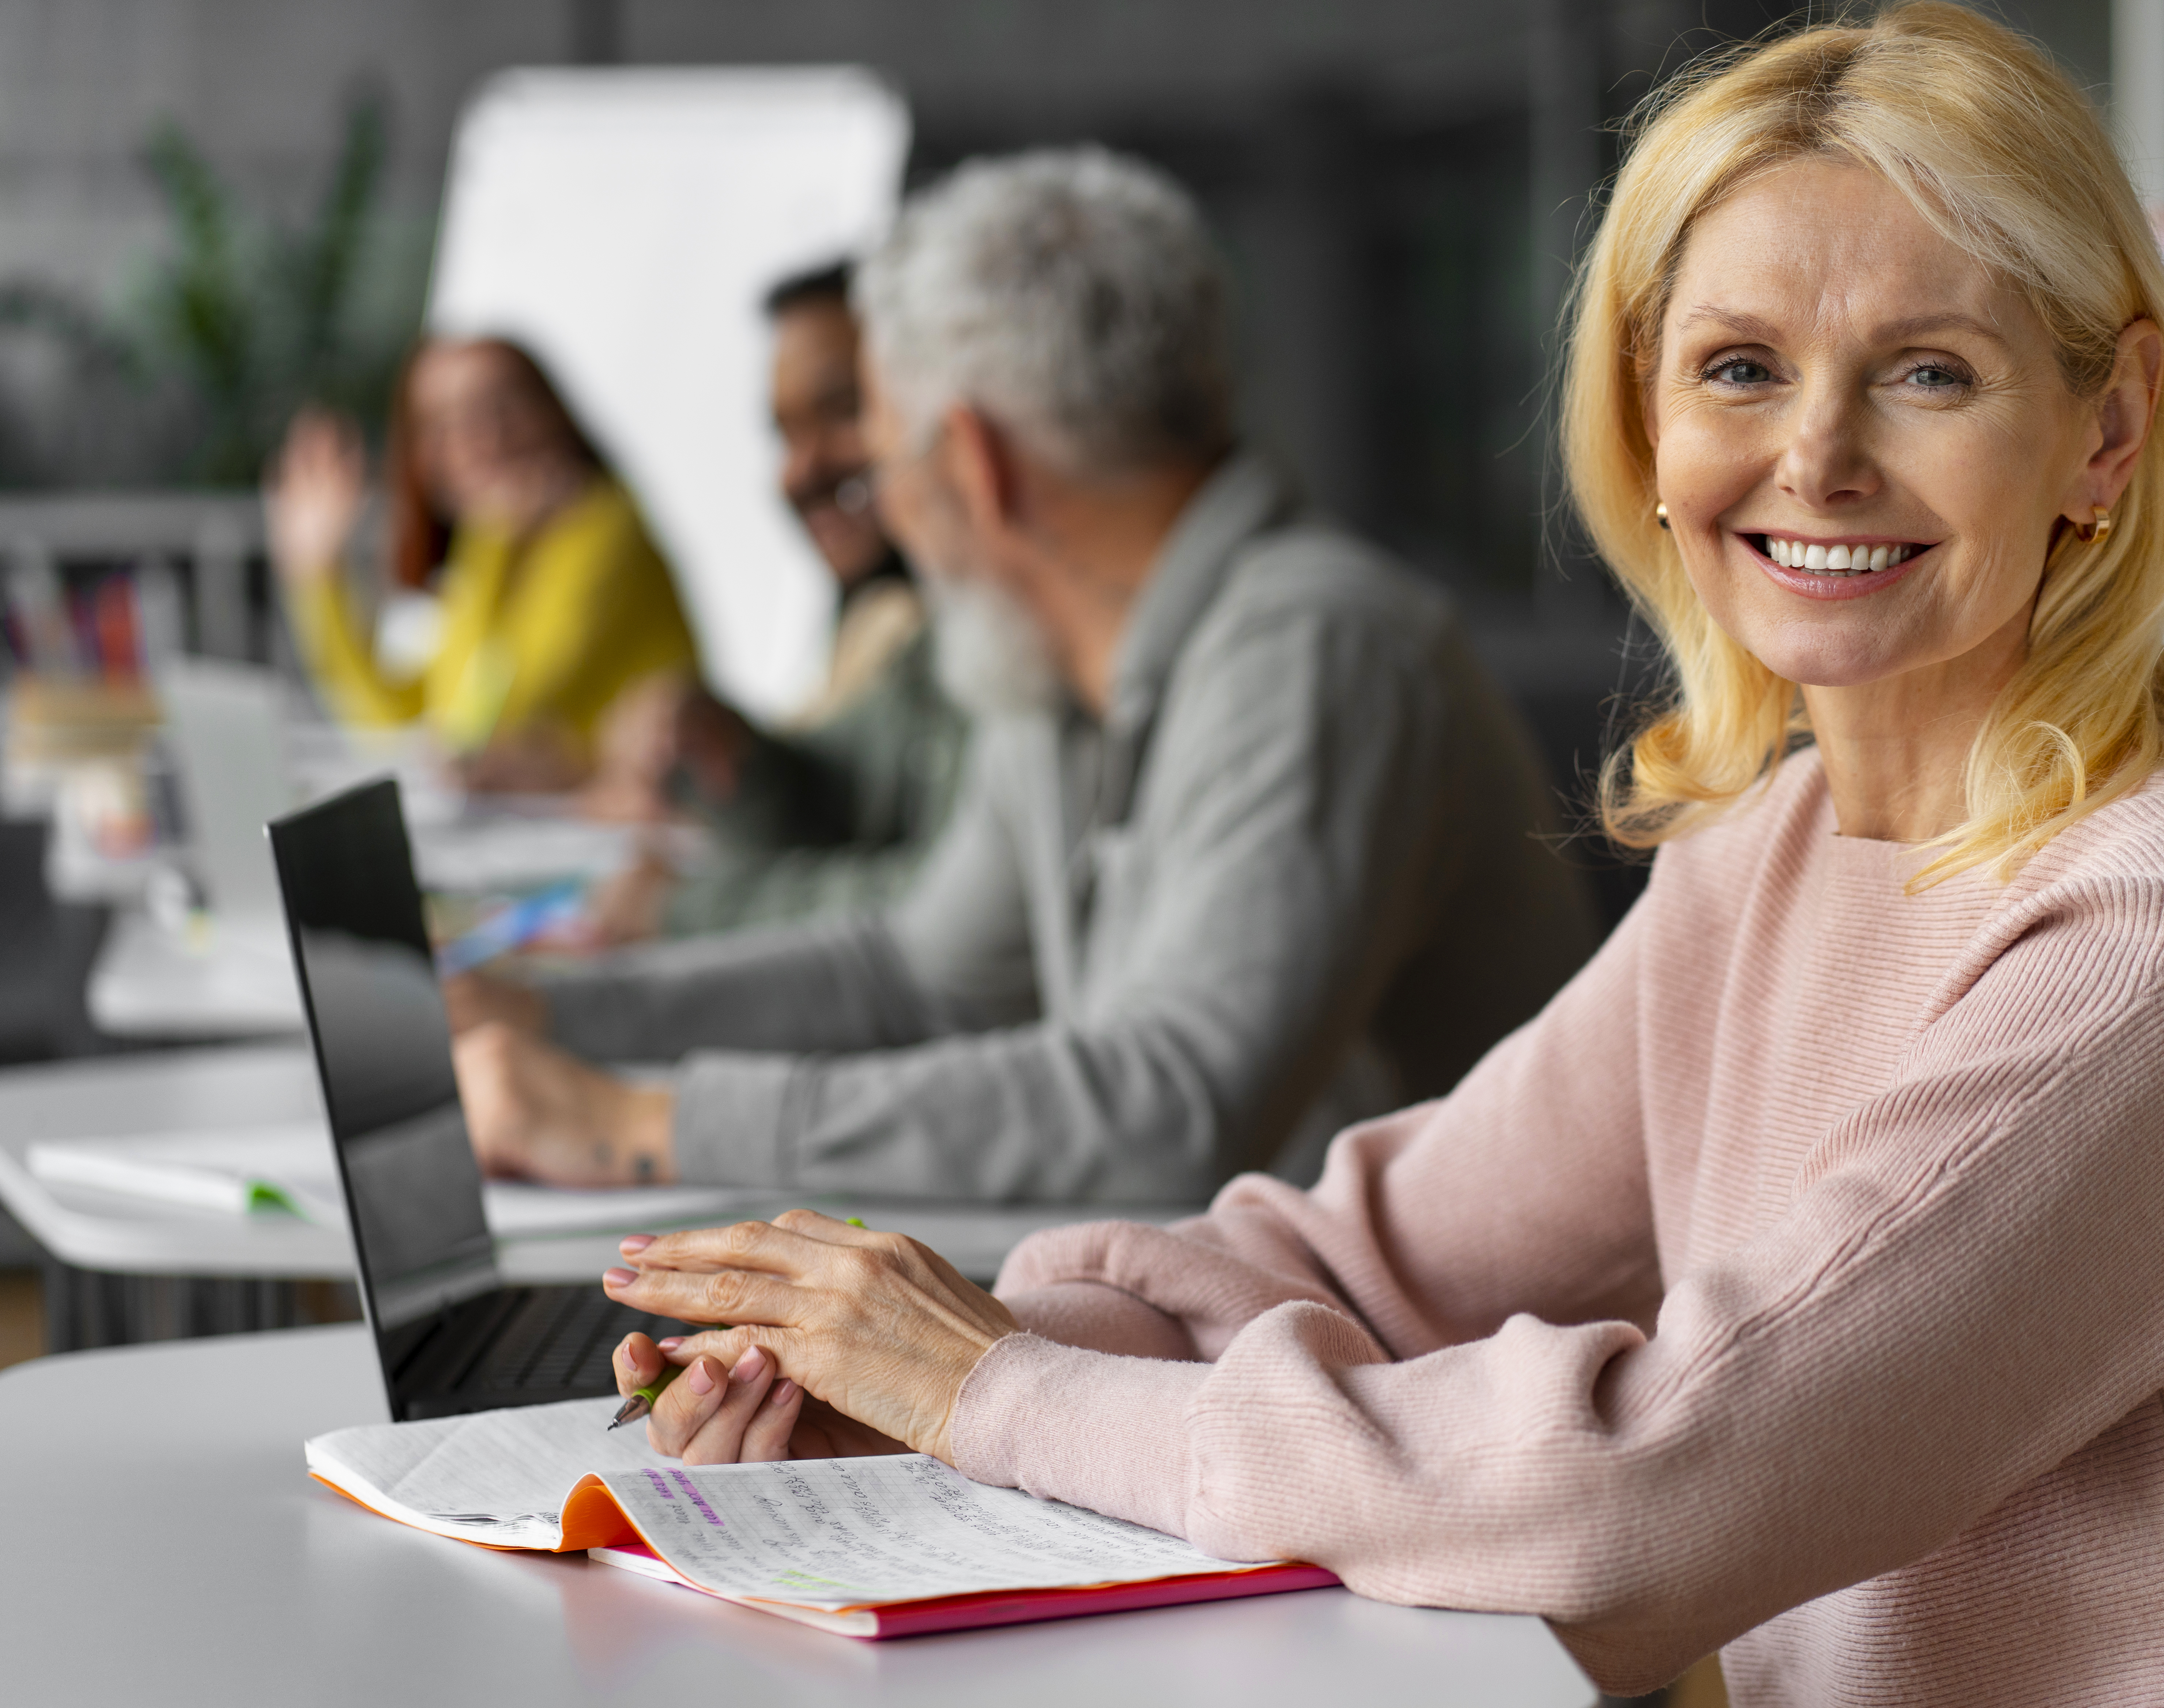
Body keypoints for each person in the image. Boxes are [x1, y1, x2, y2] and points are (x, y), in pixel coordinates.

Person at [581, 10, 2164, 1702]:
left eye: (1930, 372)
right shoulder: (1771, 846)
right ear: (1647, 419)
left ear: (2104, 434)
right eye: (1740, 368)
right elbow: (1380, 1254)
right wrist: (942, 1349)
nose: (1817, 458)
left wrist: (997, 1401)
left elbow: (1652, 1485)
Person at [444, 147, 1597, 1203]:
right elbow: (915, 977)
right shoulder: (1051, 664)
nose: (886, 502)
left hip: (1430, 1379)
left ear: (972, 462)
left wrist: (646, 1125)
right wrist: (547, 1017)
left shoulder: (1320, 649)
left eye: (888, 456)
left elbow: (1168, 1107)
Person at [580, 263, 969, 941]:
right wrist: (729, 749)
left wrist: (686, 911)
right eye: (784, 434)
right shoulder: (897, 619)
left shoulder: (1001, 628)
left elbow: (963, 907)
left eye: (847, 411)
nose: (800, 471)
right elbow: (842, 810)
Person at [266, 337, 698, 792]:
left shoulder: (607, 527)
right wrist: (318, 576)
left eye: (502, 404)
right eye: (444, 422)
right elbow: (401, 721)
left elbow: (492, 724)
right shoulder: (492, 541)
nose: (483, 437)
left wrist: (498, 542)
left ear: (552, 412)